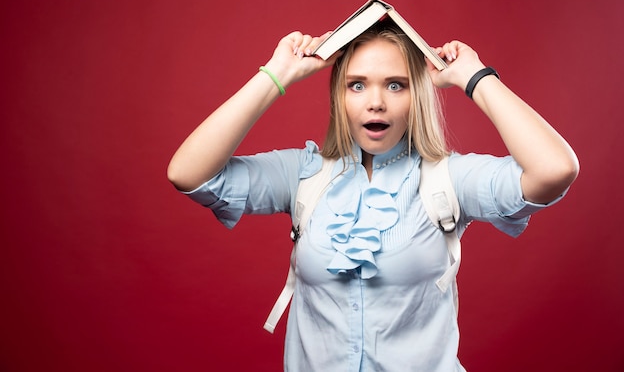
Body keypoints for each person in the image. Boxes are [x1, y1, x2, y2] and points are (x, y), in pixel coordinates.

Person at [167, 19, 579, 371]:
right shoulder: (303, 174)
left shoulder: (448, 179)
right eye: (357, 85)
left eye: (396, 85)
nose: (376, 102)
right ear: (339, 97)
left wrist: (475, 78)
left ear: (416, 95)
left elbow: (554, 169)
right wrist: (277, 75)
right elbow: (188, 174)